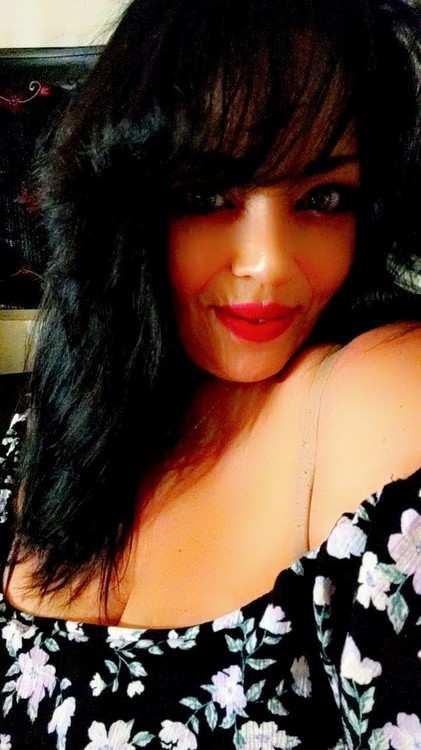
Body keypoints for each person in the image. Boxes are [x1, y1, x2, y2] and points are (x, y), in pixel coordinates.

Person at [0, 0, 420, 746]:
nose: (269, 264)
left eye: (323, 198)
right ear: (122, 205)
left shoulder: (381, 397)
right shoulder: (42, 431)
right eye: (206, 197)